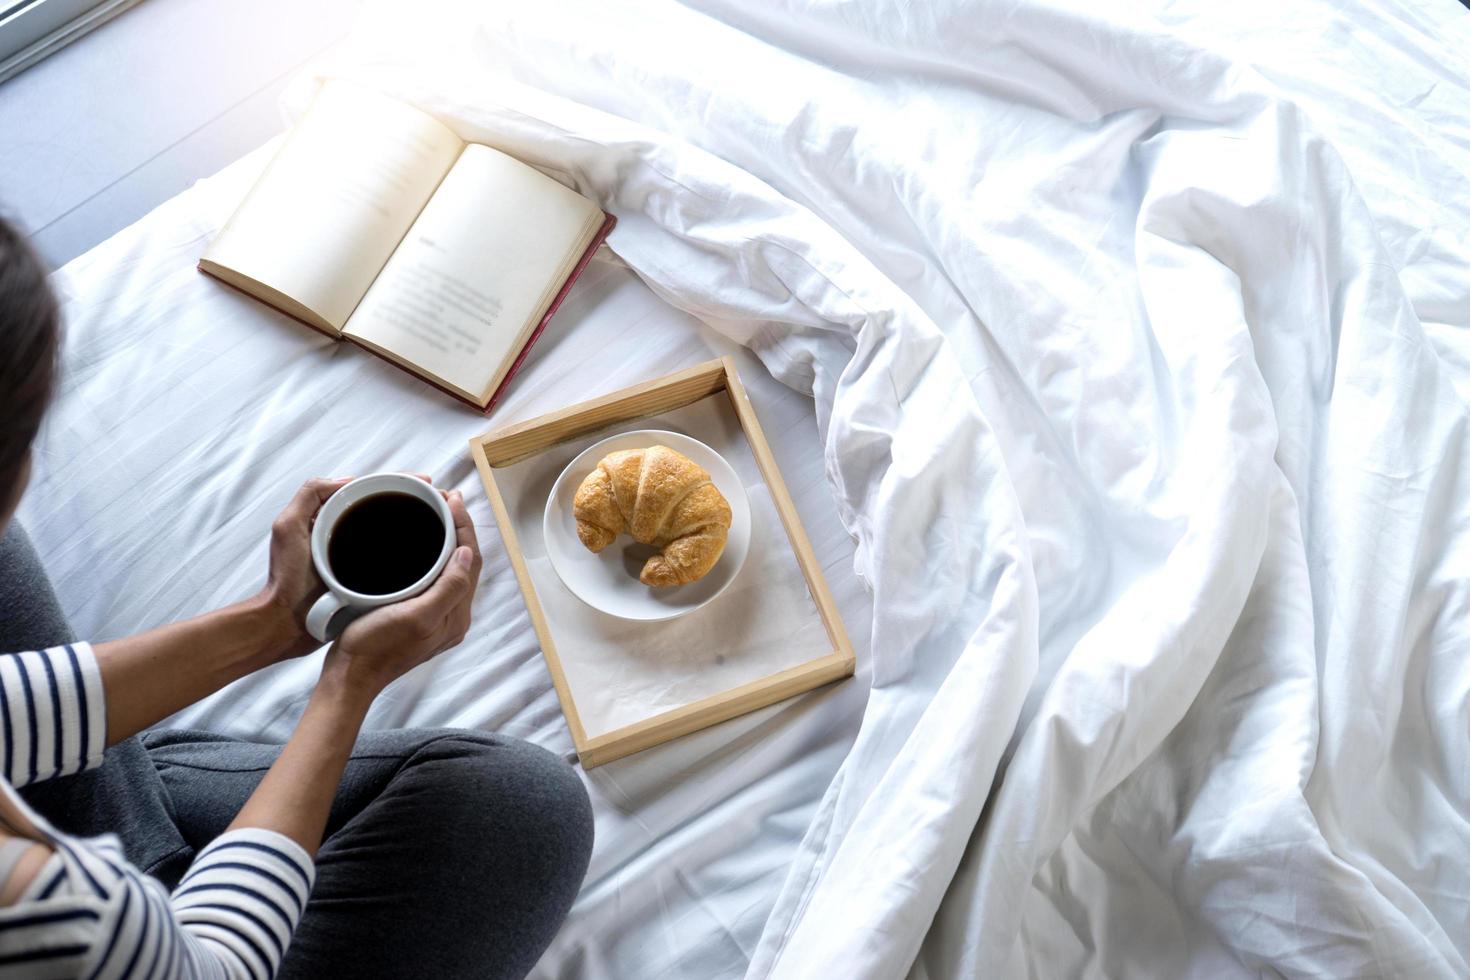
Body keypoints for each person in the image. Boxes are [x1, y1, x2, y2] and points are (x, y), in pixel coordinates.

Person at [0, 215, 593, 979]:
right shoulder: (52, 911)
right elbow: (213, 967)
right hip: (166, 948)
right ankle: (156, 829)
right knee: (522, 812)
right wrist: (348, 685)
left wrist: (278, 622)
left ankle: (138, 802)